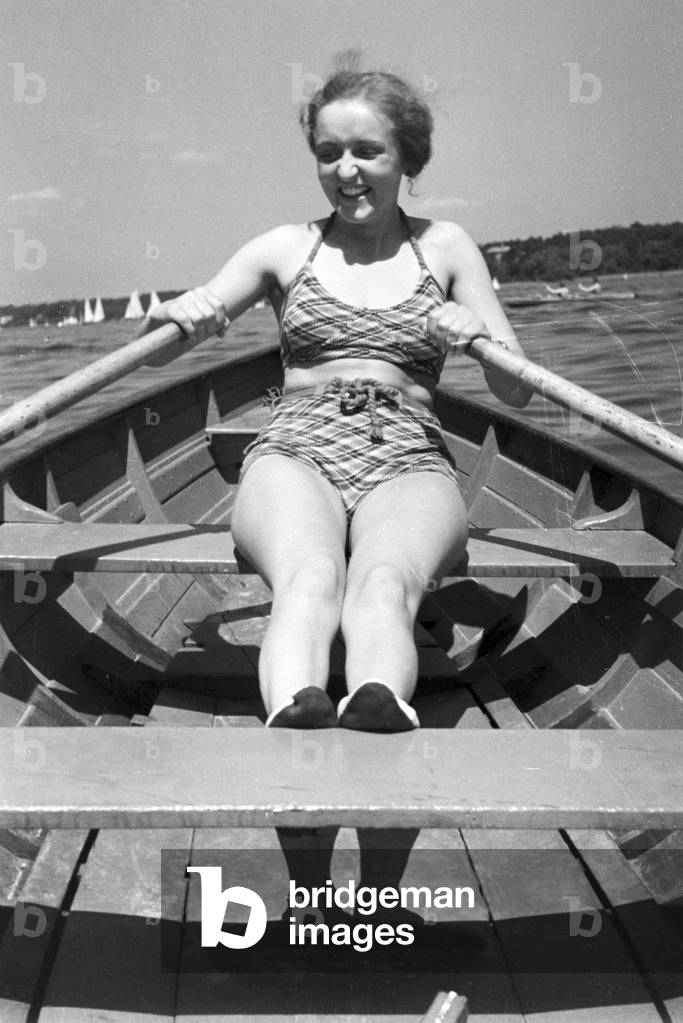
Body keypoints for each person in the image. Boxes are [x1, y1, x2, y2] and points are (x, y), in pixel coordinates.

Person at [142, 67, 532, 732]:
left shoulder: (445, 247)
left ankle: (379, 699)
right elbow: (156, 353)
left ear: (408, 156)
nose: (346, 170)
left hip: (408, 453)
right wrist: (171, 318)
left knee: (385, 581)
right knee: (311, 575)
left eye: (367, 151)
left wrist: (480, 339)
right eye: (329, 153)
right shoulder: (285, 247)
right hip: (295, 447)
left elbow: (517, 390)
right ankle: (296, 704)